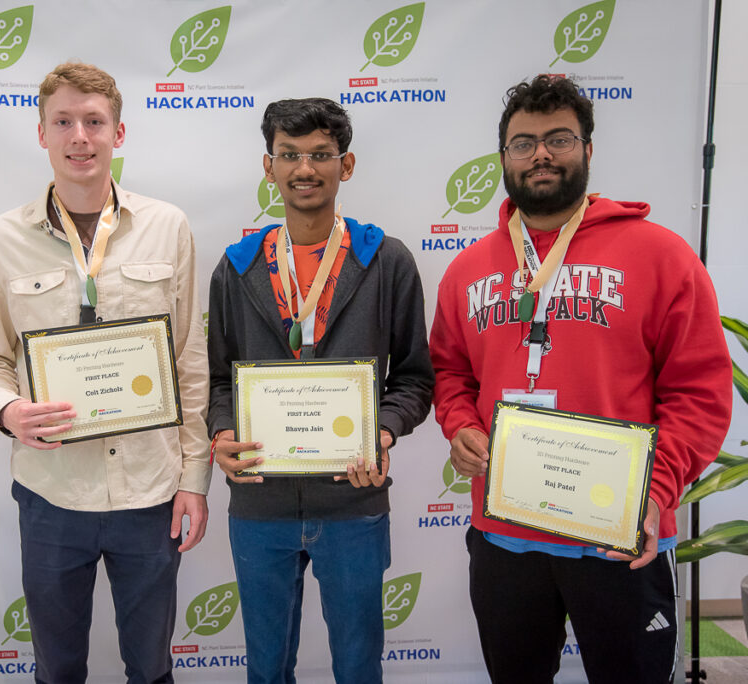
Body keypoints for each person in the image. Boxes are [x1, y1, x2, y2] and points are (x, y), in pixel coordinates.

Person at [429, 75, 733, 684]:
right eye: (523, 143)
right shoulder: (467, 269)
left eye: (558, 139)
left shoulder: (661, 255)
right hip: (505, 537)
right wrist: (460, 425)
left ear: (588, 150)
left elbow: (699, 393)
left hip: (620, 535)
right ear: (504, 158)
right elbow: (450, 370)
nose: (540, 154)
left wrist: (656, 491)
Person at [0, 62, 210, 684]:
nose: (80, 136)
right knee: (57, 664)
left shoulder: (167, 226)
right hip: (51, 492)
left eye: (94, 122)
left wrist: (195, 478)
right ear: (41, 133)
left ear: (118, 134)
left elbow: (188, 359)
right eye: (64, 122)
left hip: (150, 489)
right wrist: (6, 409)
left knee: (151, 664)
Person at [207, 98, 434, 683]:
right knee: (266, 667)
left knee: (359, 666)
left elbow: (413, 378)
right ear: (269, 166)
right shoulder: (237, 267)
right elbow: (216, 378)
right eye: (290, 155)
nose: (304, 168)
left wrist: (381, 430)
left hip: (352, 501)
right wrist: (223, 431)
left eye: (319, 155)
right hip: (260, 502)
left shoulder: (386, 261)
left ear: (346, 164)